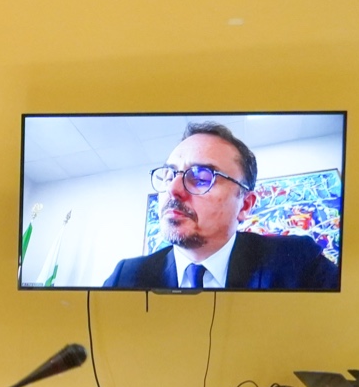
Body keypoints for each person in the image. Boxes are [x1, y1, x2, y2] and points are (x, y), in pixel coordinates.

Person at [103, 122, 339, 290]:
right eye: (169, 175)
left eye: (201, 177)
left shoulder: (298, 263)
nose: (173, 189)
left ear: (245, 205)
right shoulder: (126, 277)